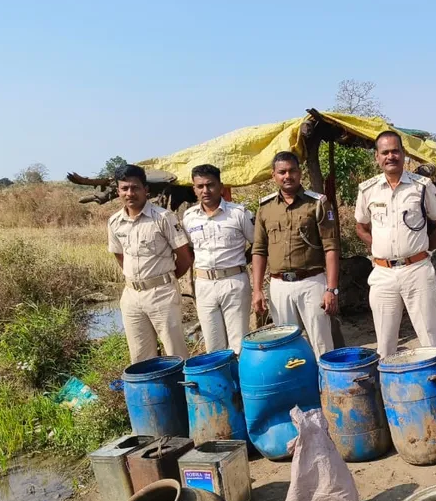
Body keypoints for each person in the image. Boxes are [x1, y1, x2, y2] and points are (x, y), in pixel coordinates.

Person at [355, 130, 436, 359]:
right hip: (383, 274)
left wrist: (425, 249)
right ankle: (390, 390)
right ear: (377, 157)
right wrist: (377, 246)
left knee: (430, 335)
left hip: (417, 270)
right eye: (385, 152)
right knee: (385, 341)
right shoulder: (367, 190)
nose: (391, 156)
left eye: (395, 151)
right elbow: (360, 226)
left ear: (404, 154)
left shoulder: (422, 186)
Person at [251, 151, 340, 357]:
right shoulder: (265, 208)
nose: (287, 176)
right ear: (274, 175)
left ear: (300, 173)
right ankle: (297, 387)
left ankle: (326, 387)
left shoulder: (317, 203)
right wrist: (257, 289)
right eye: (282, 172)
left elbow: (331, 247)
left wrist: (331, 289)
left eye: (292, 171)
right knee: (286, 346)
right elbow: (259, 250)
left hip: (311, 282)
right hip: (279, 286)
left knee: (322, 342)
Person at [107, 164, 192, 363]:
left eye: (135, 187)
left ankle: (183, 393)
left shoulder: (163, 218)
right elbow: (120, 256)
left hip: (162, 293)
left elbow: (185, 258)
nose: (130, 193)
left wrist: (165, 278)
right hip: (131, 296)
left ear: (145, 189)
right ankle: (152, 395)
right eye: (125, 188)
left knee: (175, 353)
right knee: (140, 358)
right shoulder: (114, 222)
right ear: (118, 191)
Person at [183, 164, 254, 354]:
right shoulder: (189, 217)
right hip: (204, 284)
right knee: (214, 345)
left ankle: (240, 382)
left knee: (239, 343)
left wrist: (241, 261)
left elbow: (258, 244)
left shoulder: (238, 213)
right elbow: (189, 249)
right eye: (200, 186)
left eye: (210, 185)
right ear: (194, 189)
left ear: (220, 186)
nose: (205, 190)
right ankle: (221, 384)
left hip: (234, 281)